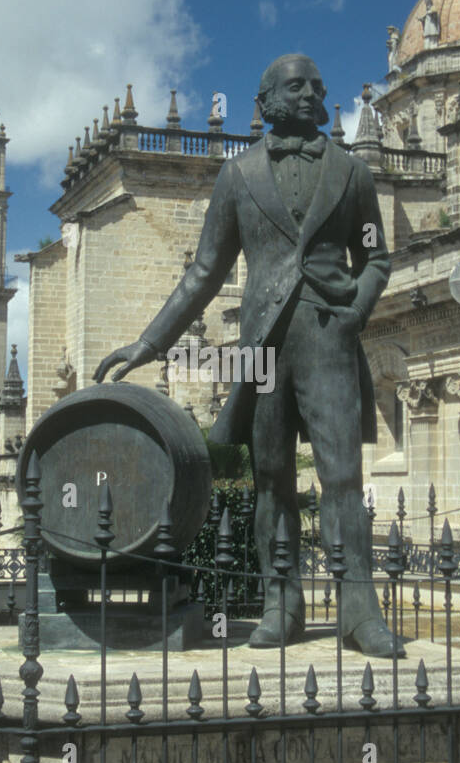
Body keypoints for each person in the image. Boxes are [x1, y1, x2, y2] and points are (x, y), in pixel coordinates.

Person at [93, 53, 399, 656]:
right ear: (266, 102)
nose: (313, 93)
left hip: (328, 339)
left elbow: (377, 258)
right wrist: (150, 342)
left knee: (343, 477)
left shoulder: (353, 173)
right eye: (297, 86)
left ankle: (360, 611)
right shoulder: (236, 177)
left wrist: (354, 313)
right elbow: (205, 273)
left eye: (318, 85)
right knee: (271, 482)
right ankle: (281, 604)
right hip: (259, 347)